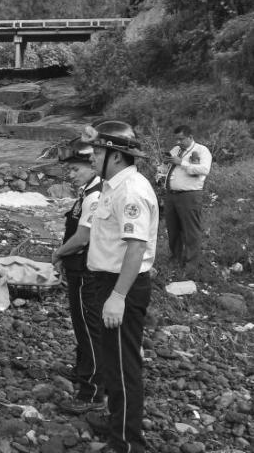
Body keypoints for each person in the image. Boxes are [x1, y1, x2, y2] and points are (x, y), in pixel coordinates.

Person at [80, 121, 158, 453]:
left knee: (125, 365)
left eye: (98, 152)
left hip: (120, 285)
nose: (92, 157)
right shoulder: (113, 185)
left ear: (116, 156)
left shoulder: (131, 190)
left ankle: (127, 442)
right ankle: (117, 421)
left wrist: (118, 296)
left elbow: (136, 247)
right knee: (112, 360)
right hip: (108, 282)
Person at [51, 139, 104, 415]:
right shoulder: (87, 193)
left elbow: (83, 236)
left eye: (74, 170)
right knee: (82, 327)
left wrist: (58, 254)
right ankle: (83, 371)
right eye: (68, 171)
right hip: (78, 268)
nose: (70, 176)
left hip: (86, 271)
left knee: (88, 329)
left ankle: (91, 392)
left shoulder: (95, 196)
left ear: (90, 166)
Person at [159, 125, 211, 274]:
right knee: (173, 228)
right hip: (171, 195)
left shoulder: (202, 150)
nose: (178, 141)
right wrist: (164, 163)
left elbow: (204, 170)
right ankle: (175, 258)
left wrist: (181, 162)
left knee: (191, 231)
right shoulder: (176, 150)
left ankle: (191, 266)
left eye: (181, 139)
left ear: (190, 137)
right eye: (177, 139)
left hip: (190, 195)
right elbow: (167, 167)